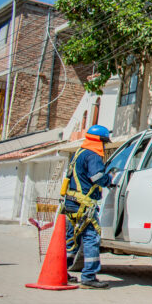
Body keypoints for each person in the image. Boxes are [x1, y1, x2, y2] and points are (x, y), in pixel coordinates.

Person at [63, 124, 113, 289]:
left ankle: (61, 272)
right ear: (100, 141)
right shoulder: (93, 156)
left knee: (72, 240)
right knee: (91, 238)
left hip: (71, 203)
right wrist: (109, 179)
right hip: (84, 205)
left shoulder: (79, 153)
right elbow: (97, 177)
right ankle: (89, 277)